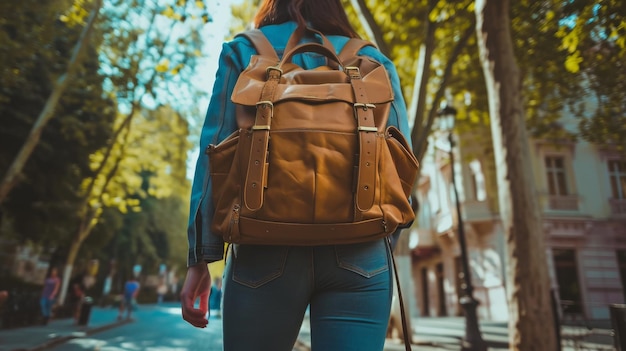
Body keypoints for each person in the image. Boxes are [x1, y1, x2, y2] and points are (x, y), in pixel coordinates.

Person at [180, 0, 412, 350]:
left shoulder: (244, 50)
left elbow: (214, 153)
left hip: (263, 246)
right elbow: (402, 164)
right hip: (361, 252)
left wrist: (201, 256)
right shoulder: (372, 61)